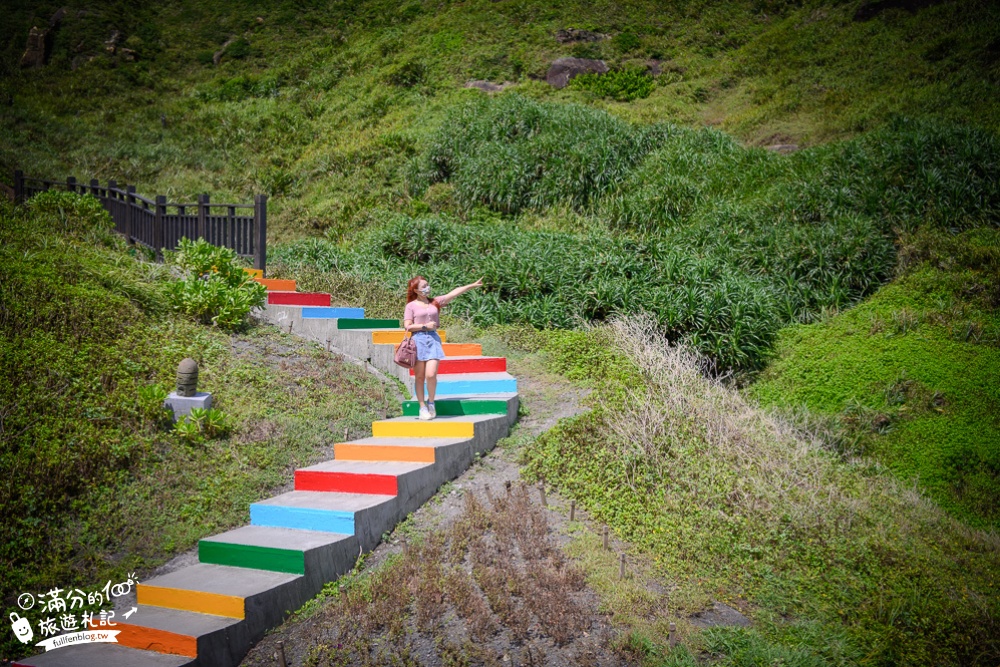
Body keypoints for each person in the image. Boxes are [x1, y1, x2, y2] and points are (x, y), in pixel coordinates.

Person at [404, 276, 483, 420]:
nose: (427, 288)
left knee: (431, 374)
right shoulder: (411, 306)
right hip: (418, 340)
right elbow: (407, 326)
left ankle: (431, 402)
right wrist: (423, 326)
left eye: (428, 285)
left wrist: (471, 285)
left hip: (433, 340)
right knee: (420, 376)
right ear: (416, 290)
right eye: (424, 286)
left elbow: (453, 293)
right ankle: (422, 407)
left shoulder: (435, 302)